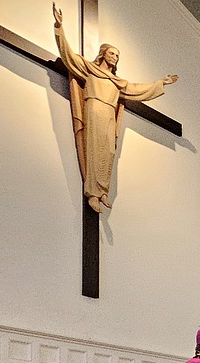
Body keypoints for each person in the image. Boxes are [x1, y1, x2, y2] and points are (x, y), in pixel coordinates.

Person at [53, 4, 179, 212]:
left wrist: (161, 83)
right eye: (112, 53)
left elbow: (138, 89)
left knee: (109, 151)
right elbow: (69, 56)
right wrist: (59, 28)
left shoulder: (118, 82)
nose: (115, 57)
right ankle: (92, 192)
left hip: (109, 113)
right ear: (103, 54)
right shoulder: (90, 70)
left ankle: (103, 190)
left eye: (117, 56)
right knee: (94, 149)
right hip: (94, 109)